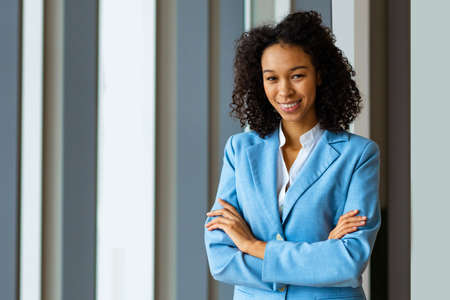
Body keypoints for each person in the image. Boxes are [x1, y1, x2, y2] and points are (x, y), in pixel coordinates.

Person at [204, 11, 380, 300]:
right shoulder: (239, 151)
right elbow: (221, 261)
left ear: (320, 74)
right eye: (271, 78)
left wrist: (251, 245)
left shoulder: (359, 155)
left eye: (297, 75)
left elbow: (348, 262)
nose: (284, 90)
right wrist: (319, 256)